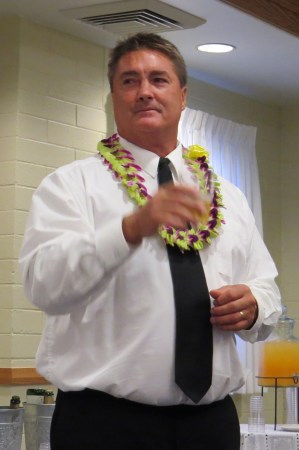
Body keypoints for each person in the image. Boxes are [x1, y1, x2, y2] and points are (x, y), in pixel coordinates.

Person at [19, 32, 281, 450]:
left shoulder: (228, 196)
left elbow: (267, 288)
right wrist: (130, 228)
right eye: (129, 81)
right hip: (105, 425)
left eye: (158, 80)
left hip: (211, 426)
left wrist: (254, 307)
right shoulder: (70, 186)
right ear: (113, 96)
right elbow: (44, 285)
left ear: (182, 95)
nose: (144, 92)